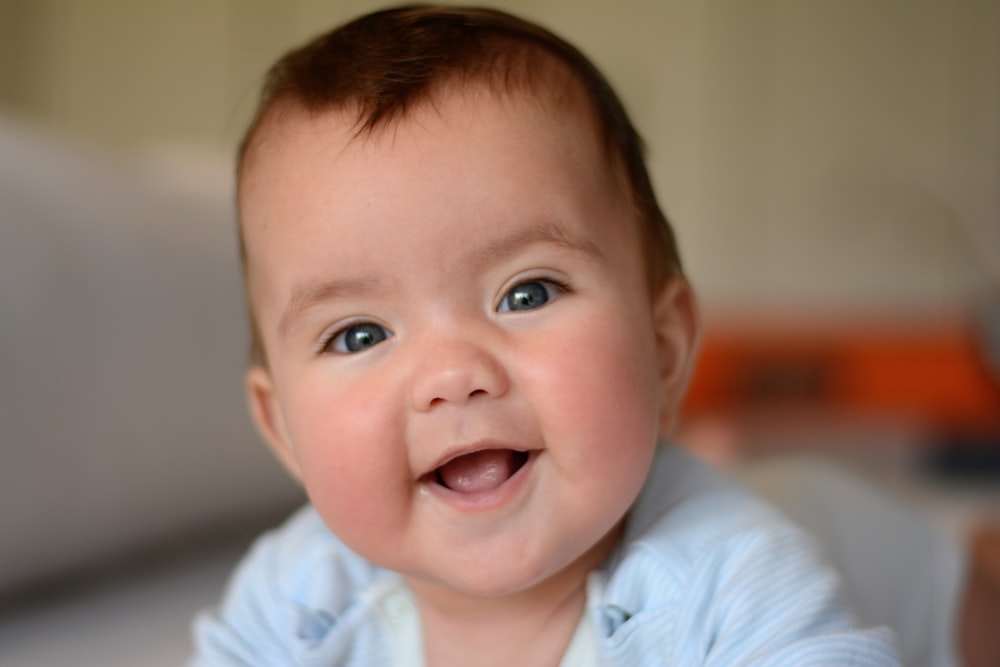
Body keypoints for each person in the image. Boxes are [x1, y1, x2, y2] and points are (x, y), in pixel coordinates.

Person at [189, 6, 899, 665]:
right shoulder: (298, 602)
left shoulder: (734, 579)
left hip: (877, 543)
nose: (452, 374)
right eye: (359, 334)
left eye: (526, 293)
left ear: (663, 350)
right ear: (282, 426)